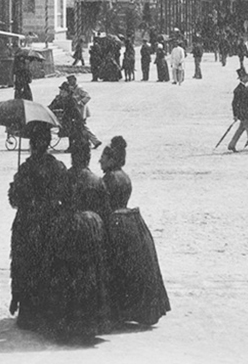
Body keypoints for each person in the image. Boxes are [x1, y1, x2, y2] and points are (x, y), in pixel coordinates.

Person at [100, 136, 170, 326]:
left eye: (103, 158)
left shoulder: (109, 178)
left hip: (114, 222)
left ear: (111, 159)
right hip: (131, 222)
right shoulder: (124, 176)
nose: (100, 161)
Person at [46, 136, 111, 340]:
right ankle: (90, 323)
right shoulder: (96, 180)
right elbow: (105, 209)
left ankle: (66, 322)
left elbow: (54, 200)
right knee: (90, 273)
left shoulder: (64, 177)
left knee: (67, 273)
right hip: (91, 227)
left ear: (73, 156)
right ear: (88, 156)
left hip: (68, 226)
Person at [8, 122, 66, 330]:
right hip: (50, 221)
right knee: (49, 264)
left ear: (32, 144)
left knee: (26, 265)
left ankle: (28, 312)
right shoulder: (58, 166)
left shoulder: (25, 168)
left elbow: (14, 200)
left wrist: (16, 184)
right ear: (48, 144)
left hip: (27, 222)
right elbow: (64, 195)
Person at [227, 68, 248, 153]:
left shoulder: (246, 87)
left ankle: (232, 145)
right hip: (243, 113)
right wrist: (235, 115)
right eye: (246, 76)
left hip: (246, 113)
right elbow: (234, 103)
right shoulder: (238, 90)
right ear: (242, 78)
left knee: (240, 130)